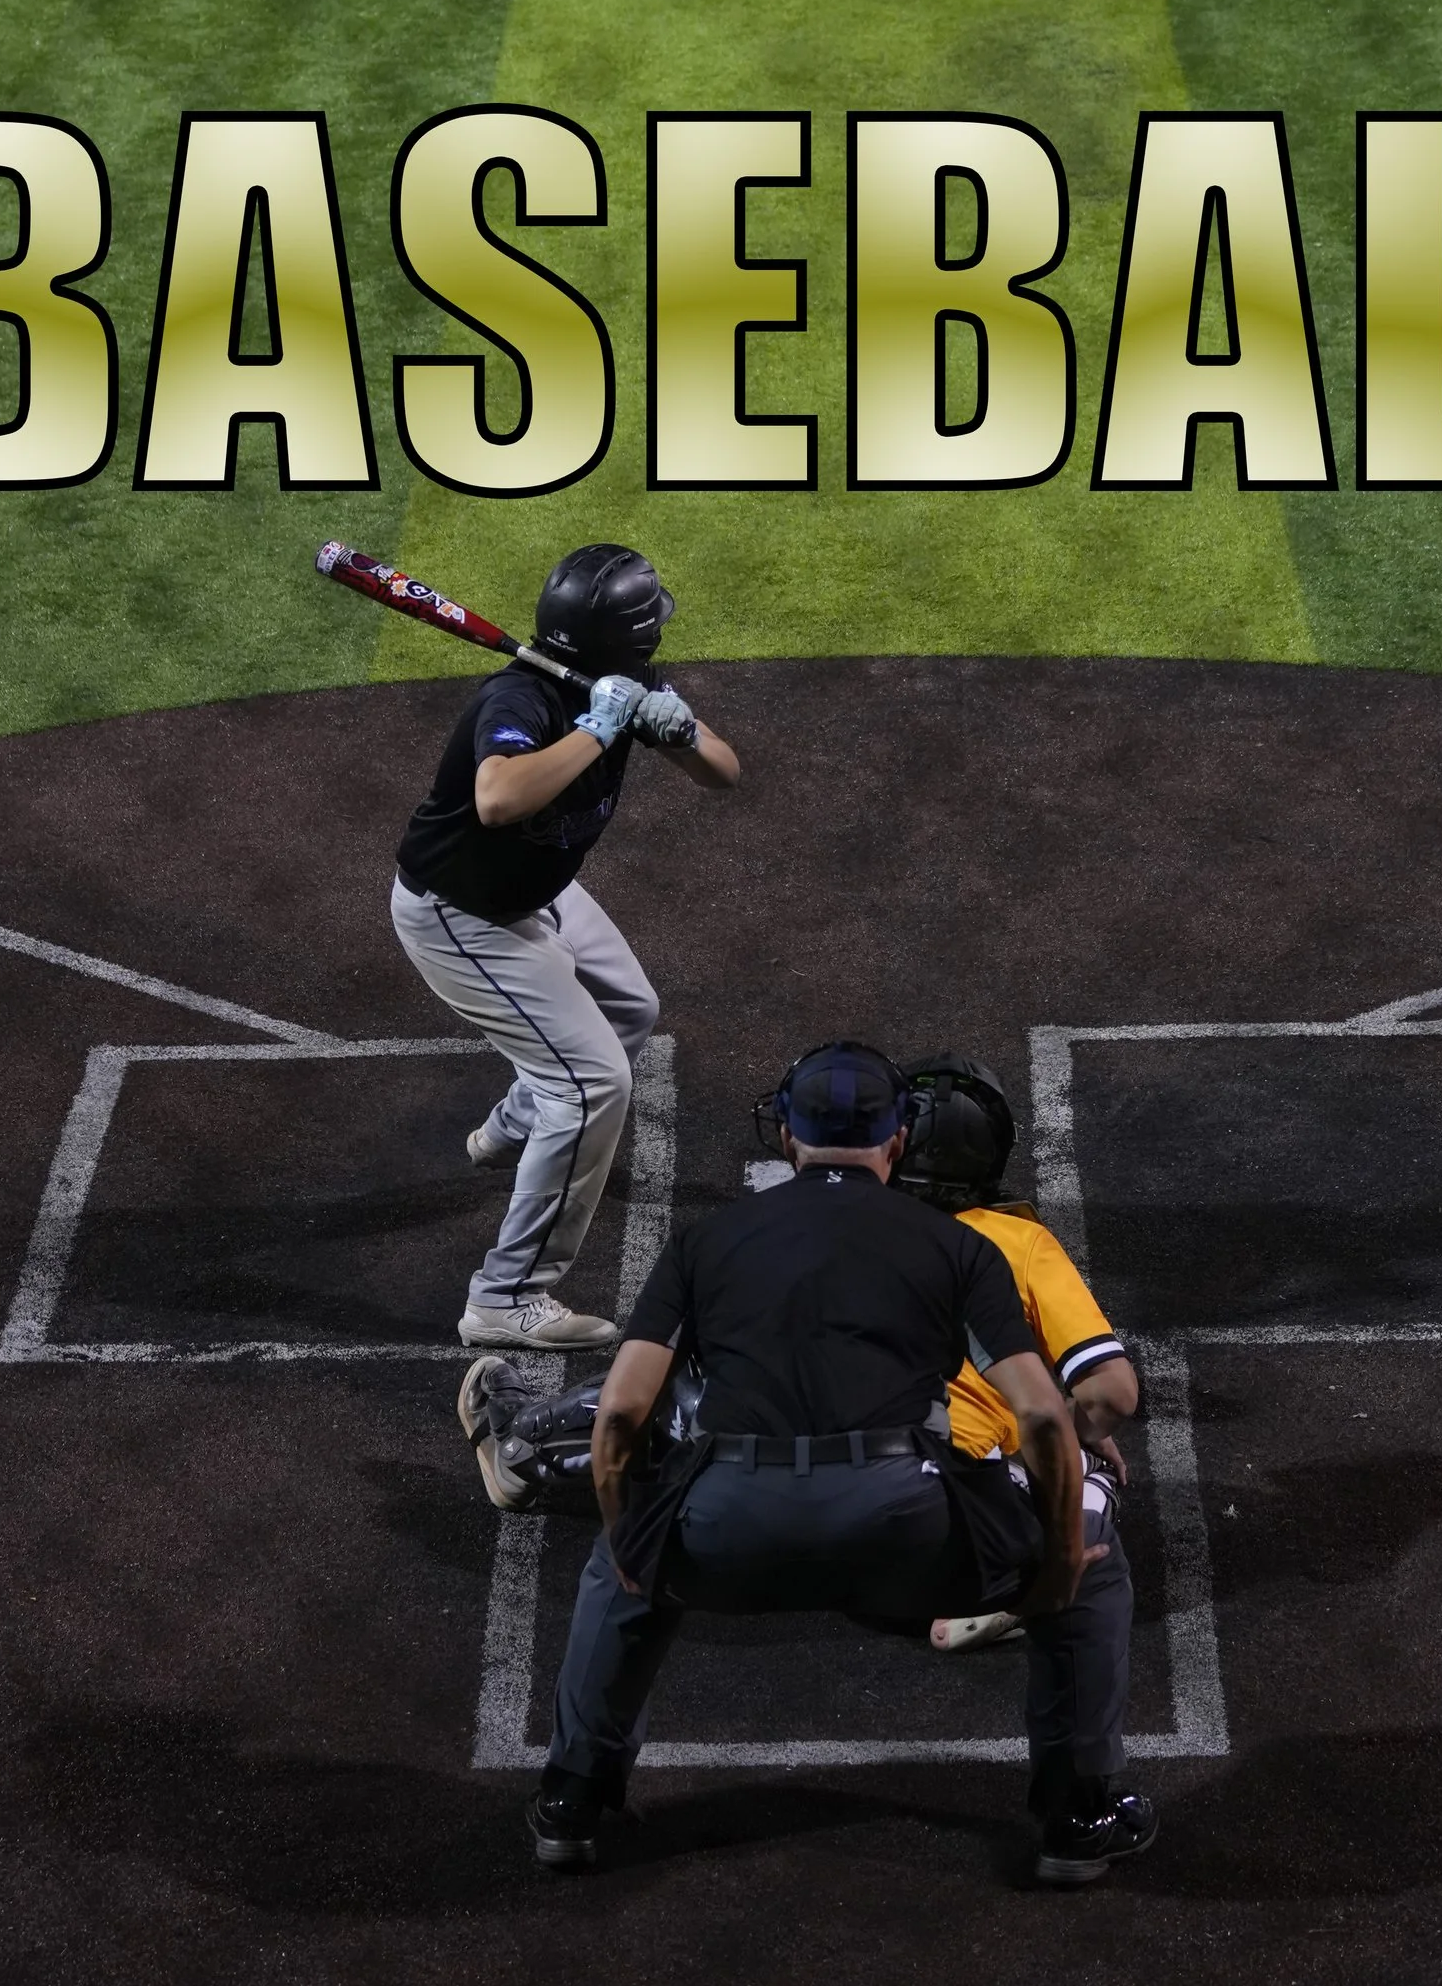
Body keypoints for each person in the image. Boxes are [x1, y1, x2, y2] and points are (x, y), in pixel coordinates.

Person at [528, 1043, 1160, 1888]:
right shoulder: (957, 1245)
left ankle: (573, 1802)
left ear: (785, 1135)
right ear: (896, 1140)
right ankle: (1076, 1818)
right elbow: (1049, 1416)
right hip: (905, 1527)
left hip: (730, 1529)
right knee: (1094, 1568)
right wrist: (1049, 1567)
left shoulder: (707, 1238)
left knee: (619, 1575)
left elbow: (621, 1416)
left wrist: (630, 1540)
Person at [389, 544, 739, 1353]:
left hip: (534, 892)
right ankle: (507, 1297)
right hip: (461, 914)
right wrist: (600, 726)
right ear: (633, 635)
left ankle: (511, 1126)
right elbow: (499, 799)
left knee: (630, 1008)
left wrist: (678, 729)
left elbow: (724, 772)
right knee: (590, 1084)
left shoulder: (631, 683)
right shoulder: (519, 694)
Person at [892, 1056, 1142, 1699]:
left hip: (806, 1496)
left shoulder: (828, 1224)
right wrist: (1070, 1429)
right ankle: (1018, 1591)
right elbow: (1111, 1391)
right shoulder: (1017, 1242)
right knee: (1081, 1465)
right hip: (936, 1517)